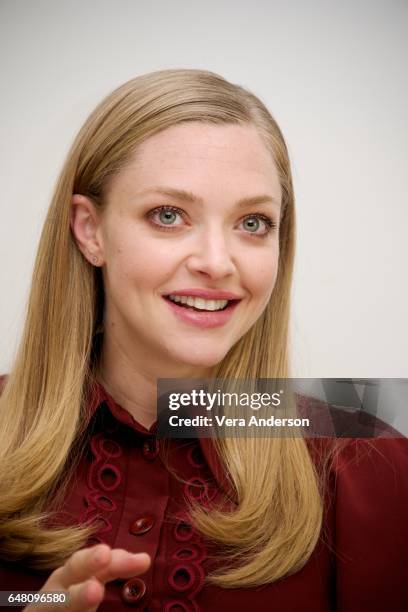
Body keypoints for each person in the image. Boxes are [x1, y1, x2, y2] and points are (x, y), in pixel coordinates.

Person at [0, 69, 407, 612]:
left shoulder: (368, 453)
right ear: (89, 230)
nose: (217, 263)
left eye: (253, 223)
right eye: (168, 216)